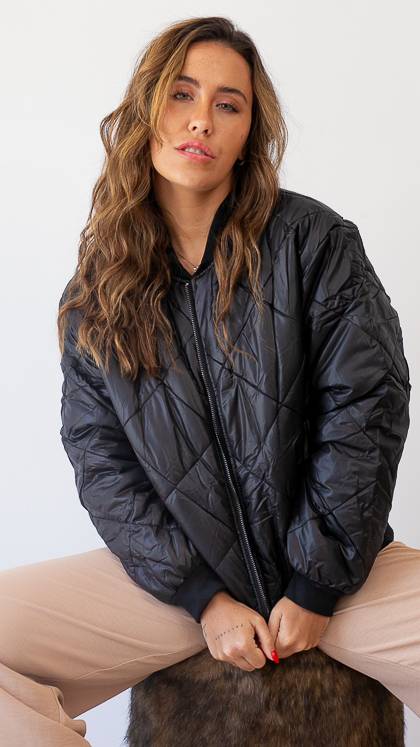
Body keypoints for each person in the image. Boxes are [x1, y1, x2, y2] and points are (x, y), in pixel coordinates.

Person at [0, 15, 418, 746]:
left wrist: (316, 584)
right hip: (176, 589)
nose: (202, 120)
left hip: (343, 581)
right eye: (182, 94)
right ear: (146, 111)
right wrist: (201, 596)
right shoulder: (98, 292)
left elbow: (367, 405)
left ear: (249, 132)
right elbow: (102, 462)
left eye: (229, 104)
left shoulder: (313, 242)